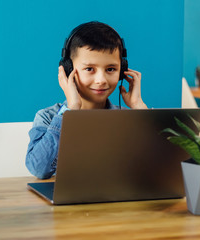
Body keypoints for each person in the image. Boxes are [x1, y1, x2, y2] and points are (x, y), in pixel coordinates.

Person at [26, 21, 147, 179]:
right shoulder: (48, 117)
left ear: (122, 70)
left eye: (111, 69)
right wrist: (71, 110)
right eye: (89, 69)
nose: (101, 80)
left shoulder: (127, 118)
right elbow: (39, 169)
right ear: (69, 70)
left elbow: (161, 167)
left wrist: (140, 109)